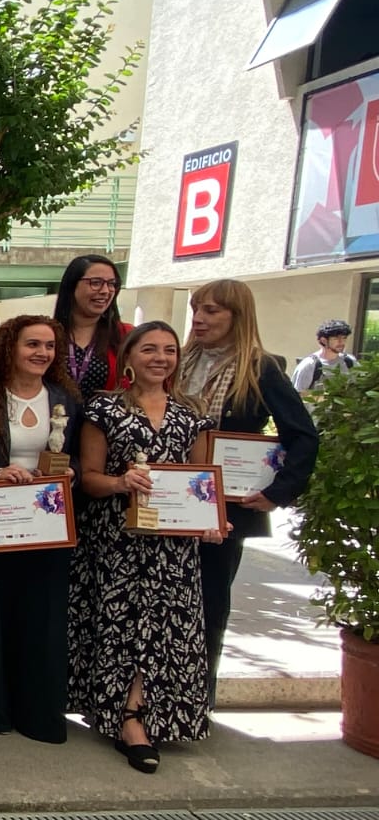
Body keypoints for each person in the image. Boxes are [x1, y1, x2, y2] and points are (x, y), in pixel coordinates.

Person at [70, 322, 223, 772]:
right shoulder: (104, 410)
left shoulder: (192, 414)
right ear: (130, 357)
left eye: (170, 350)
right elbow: (90, 479)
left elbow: (203, 480)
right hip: (116, 538)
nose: (160, 357)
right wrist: (120, 482)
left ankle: (149, 712)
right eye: (150, 349)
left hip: (173, 545)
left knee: (164, 626)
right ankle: (129, 717)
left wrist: (213, 519)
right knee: (125, 625)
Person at [180, 280, 319, 705]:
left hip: (227, 507)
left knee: (208, 602)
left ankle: (195, 702)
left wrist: (279, 491)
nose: (200, 319)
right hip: (170, 500)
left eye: (212, 311)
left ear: (237, 317)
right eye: (196, 309)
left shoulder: (260, 367)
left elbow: (302, 435)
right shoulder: (178, 361)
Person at [0, 316, 81, 742]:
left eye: (48, 346)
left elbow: (79, 457)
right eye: (32, 344)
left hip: (47, 523)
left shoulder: (65, 399)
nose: (41, 353)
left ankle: (37, 713)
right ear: (10, 347)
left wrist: (71, 474)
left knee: (41, 617)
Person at [52, 254, 131, 397]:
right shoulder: (47, 334)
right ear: (72, 285)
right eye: (96, 282)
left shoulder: (127, 335)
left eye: (112, 283)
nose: (106, 291)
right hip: (54, 417)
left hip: (104, 418)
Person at [291, 318, 357, 395]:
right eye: (336, 338)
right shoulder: (310, 365)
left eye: (344, 338)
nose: (341, 342)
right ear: (323, 340)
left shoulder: (350, 361)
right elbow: (298, 395)